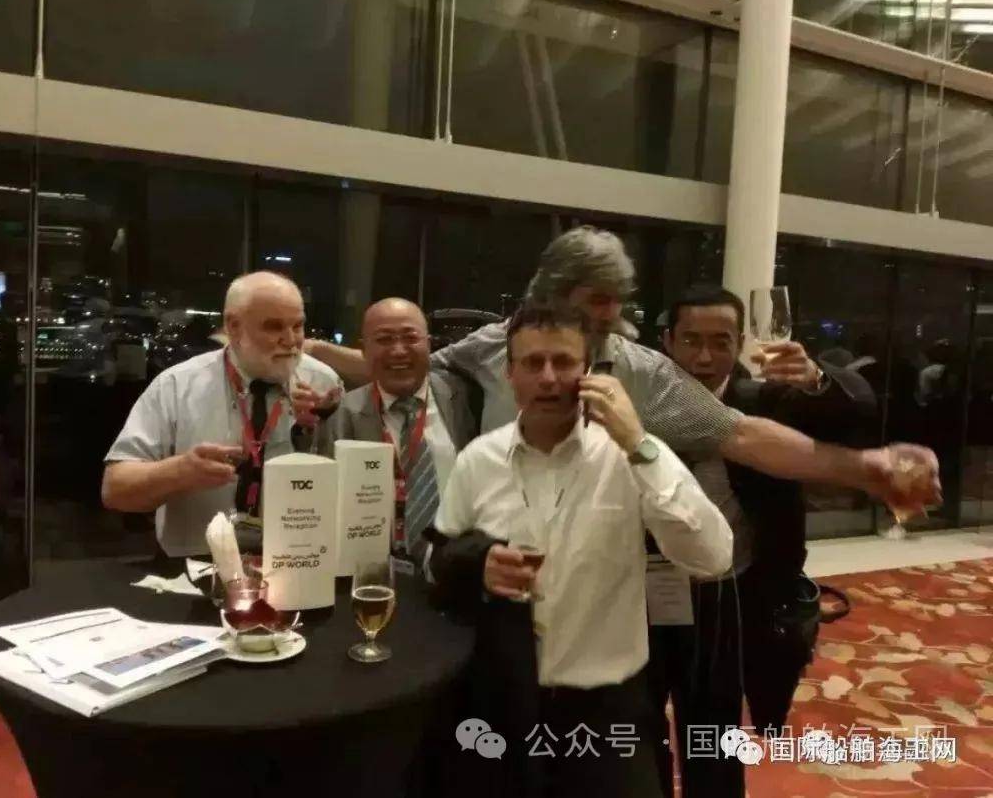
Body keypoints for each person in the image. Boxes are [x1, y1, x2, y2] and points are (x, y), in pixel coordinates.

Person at [305, 226, 941, 516]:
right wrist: (304, 354)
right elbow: (399, 371)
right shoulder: (490, 347)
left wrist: (864, 468)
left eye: (618, 300)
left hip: (602, 569)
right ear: (553, 294)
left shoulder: (642, 371)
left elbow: (742, 434)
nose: (612, 314)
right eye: (598, 299)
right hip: (496, 564)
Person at [427, 303, 733, 798]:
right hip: (503, 702)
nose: (549, 378)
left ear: (588, 372)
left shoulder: (633, 455)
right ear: (510, 375)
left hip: (608, 706)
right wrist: (477, 565)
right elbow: (441, 559)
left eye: (564, 362)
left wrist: (638, 443)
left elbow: (713, 556)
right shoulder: (478, 460)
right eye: (533, 363)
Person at [648, 285, 877, 798]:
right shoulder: (642, 401)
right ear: (667, 341)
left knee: (713, 726)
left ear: (740, 343)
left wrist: (817, 378)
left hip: (731, 591)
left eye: (721, 341)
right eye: (691, 340)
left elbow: (857, 413)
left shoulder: (767, 401)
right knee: (640, 724)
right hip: (648, 588)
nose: (704, 357)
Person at [101, 272, 342, 557]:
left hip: (298, 561)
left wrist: (315, 434)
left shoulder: (324, 383)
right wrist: (180, 472)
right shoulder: (177, 385)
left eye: (298, 326)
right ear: (234, 327)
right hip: (196, 565)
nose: (291, 341)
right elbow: (115, 490)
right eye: (273, 327)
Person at [320, 298, 476, 571]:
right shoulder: (341, 415)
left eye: (410, 337)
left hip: (457, 570)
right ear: (364, 350)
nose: (398, 350)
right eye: (384, 339)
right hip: (371, 572)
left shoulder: (466, 398)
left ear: (429, 344)